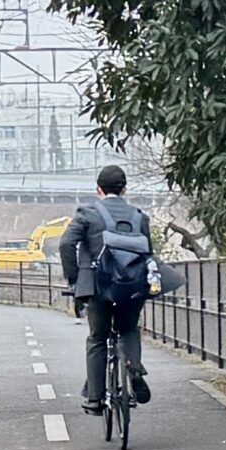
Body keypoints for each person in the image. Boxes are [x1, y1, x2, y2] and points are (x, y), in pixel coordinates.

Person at [59, 164, 153, 415]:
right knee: (129, 329)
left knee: (97, 338)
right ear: (124, 189)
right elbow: (148, 253)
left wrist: (75, 279)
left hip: (98, 287)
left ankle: (95, 398)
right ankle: (134, 369)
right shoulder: (139, 216)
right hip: (131, 288)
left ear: (98, 189)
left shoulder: (87, 214)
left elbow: (66, 244)